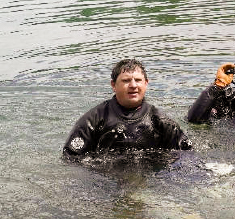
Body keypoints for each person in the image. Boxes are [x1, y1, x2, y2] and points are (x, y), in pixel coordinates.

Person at [63, 59, 191, 158]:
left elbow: (186, 155)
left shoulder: (161, 121)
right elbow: (71, 158)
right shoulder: (93, 120)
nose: (133, 85)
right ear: (113, 85)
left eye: (138, 80)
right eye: (126, 81)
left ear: (146, 83)